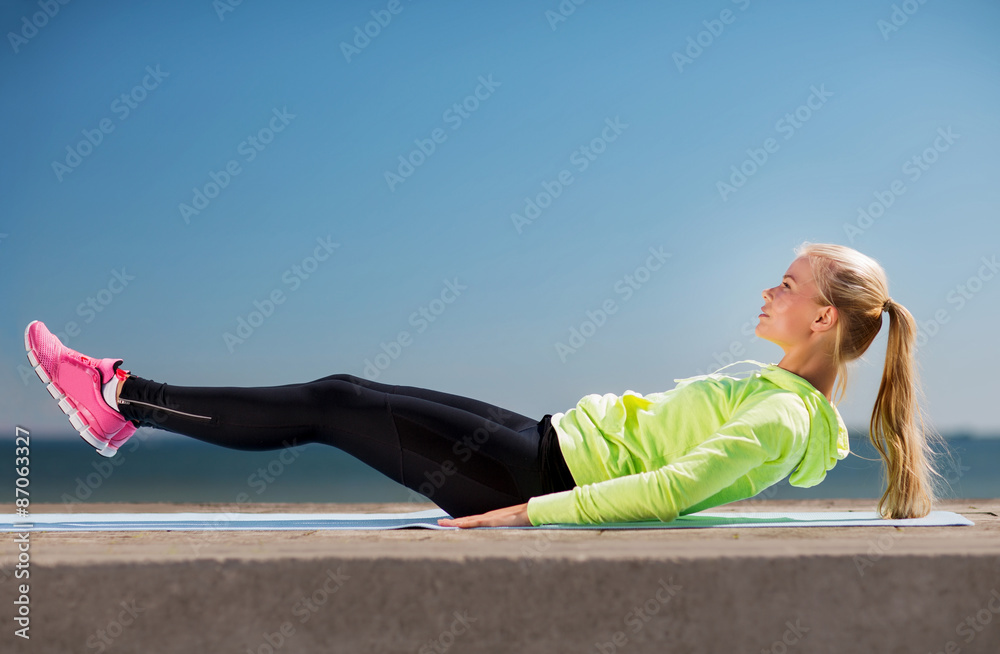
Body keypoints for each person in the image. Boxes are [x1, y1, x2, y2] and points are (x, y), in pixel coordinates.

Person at [24, 242, 948, 528]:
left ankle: (117, 399)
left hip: (537, 480)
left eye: (787, 284)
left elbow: (670, 494)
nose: (769, 289)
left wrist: (508, 521)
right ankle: (119, 406)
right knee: (342, 388)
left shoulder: (787, 418)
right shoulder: (776, 391)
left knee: (333, 406)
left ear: (823, 319)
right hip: (544, 442)